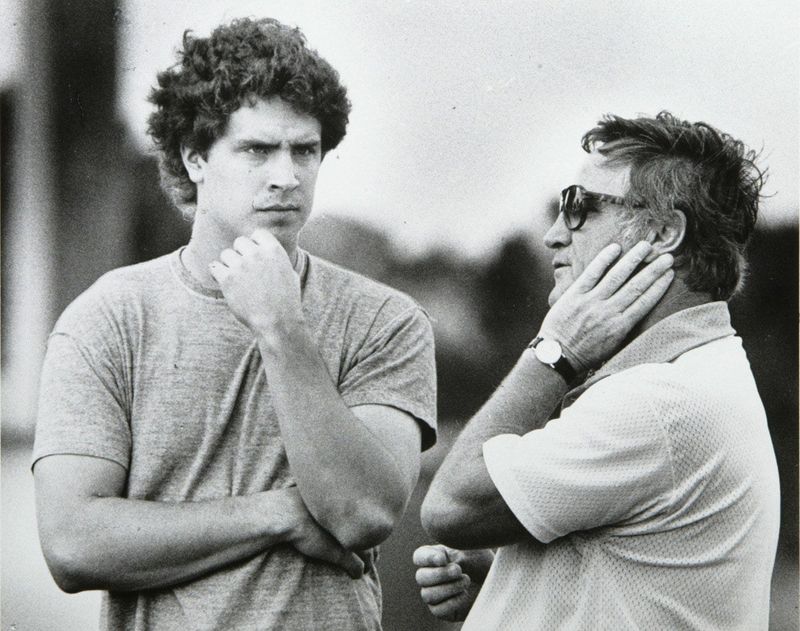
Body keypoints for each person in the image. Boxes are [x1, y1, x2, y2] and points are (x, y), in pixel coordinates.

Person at [33, 17, 436, 630]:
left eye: (305, 150)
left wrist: (281, 328)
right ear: (194, 158)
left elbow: (362, 514)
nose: (286, 175)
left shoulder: (385, 319)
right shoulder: (108, 316)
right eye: (256, 149)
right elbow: (72, 544)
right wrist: (279, 514)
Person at [414, 112, 780, 630]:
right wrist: (510, 586)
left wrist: (556, 350)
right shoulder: (693, 374)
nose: (553, 234)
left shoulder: (660, 400)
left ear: (661, 232)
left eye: (578, 206)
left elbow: (451, 507)